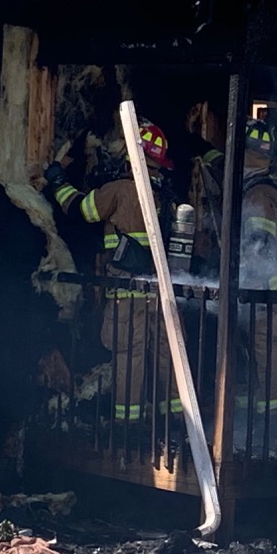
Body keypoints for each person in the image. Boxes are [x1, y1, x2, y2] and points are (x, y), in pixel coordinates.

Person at [44, 120, 179, 425]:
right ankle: (173, 425)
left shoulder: (121, 190)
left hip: (126, 298)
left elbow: (81, 210)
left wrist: (56, 180)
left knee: (128, 358)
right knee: (164, 357)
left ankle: (127, 428)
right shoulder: (167, 198)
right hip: (159, 297)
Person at [240, 117, 277, 415]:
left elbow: (258, 246)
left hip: (266, 288)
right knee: (255, 347)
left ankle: (272, 416)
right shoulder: (257, 186)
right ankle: (256, 409)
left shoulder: (259, 193)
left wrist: (248, 285)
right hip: (261, 287)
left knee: (266, 347)